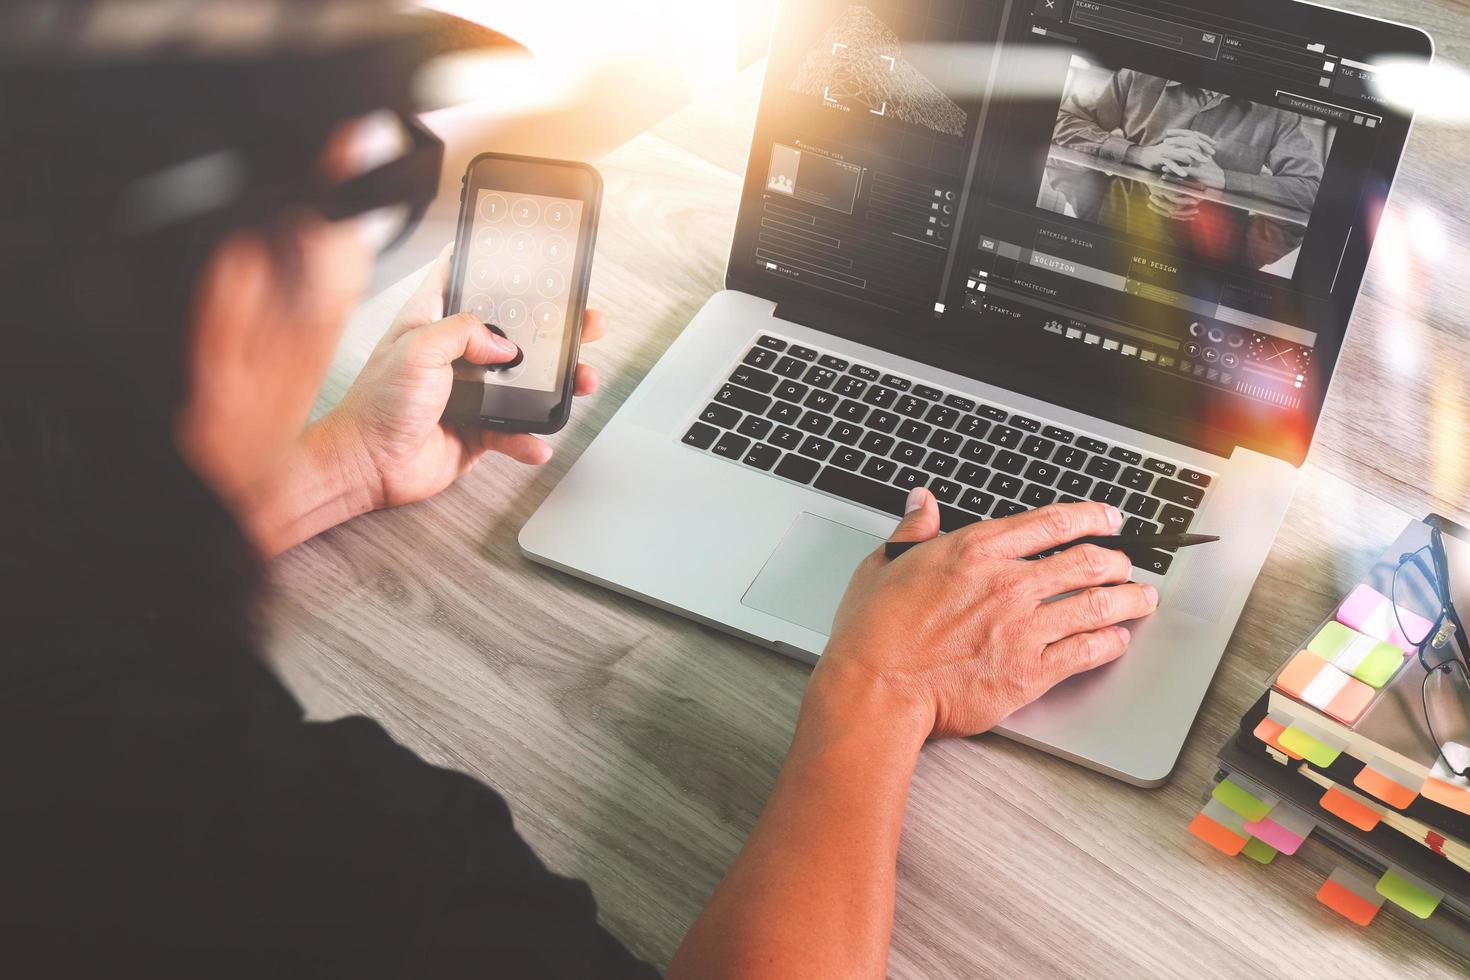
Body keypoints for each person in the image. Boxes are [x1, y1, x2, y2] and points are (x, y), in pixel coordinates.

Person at [1, 4, 1157, 976]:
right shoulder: (309, 855)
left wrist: (338, 464)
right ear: (232, 298)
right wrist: (880, 691)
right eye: (376, 187)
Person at [1054, 68, 1324, 213]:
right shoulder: (1137, 75)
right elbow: (1060, 121)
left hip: (1212, 256)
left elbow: (1314, 189)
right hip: (1116, 222)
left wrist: (1225, 180)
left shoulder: (1279, 115)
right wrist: (1139, 155)